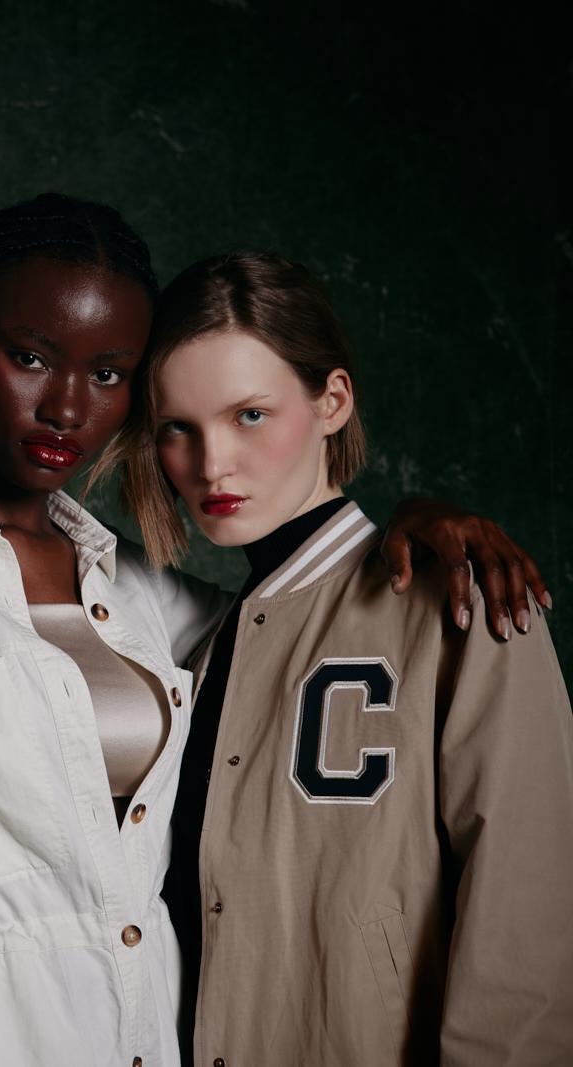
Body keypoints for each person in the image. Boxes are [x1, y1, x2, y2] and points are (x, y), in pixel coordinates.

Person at [0, 196, 550, 1067]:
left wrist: (415, 523)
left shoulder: (146, 598)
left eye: (111, 376)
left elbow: (308, 604)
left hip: (152, 1034)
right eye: (32, 357)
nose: (67, 407)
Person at [118, 250, 573, 1065]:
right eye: (178, 428)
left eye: (249, 414)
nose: (212, 463)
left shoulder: (465, 596)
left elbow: (530, 917)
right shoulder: (198, 642)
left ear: (331, 400)